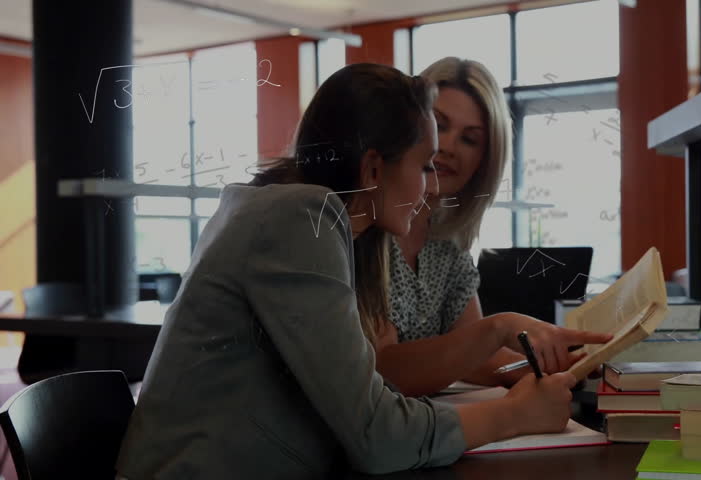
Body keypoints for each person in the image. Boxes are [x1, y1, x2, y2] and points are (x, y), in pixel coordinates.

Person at [115, 63, 600, 479]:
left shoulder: (303, 215)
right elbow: (378, 437)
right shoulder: (299, 221)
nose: (431, 188)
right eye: (424, 164)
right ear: (372, 169)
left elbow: (368, 402)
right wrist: (512, 417)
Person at [376, 57, 611, 397]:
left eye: (470, 139)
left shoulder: (449, 244)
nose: (448, 147)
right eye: (439, 125)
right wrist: (501, 327)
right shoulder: (367, 226)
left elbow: (477, 359)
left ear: (485, 161)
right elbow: (384, 371)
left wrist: (562, 363)